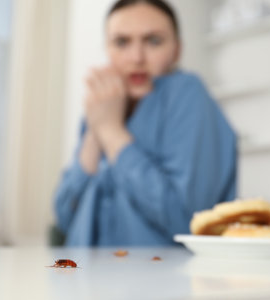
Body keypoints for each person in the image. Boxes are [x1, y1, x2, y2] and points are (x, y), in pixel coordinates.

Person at [54, 0, 237, 246]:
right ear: (107, 49)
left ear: (176, 50)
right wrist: (95, 132)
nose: (137, 57)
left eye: (154, 41)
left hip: (159, 280)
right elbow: (65, 217)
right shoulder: (103, 106)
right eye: (121, 42)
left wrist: (111, 132)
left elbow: (189, 221)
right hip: (85, 277)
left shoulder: (186, 93)